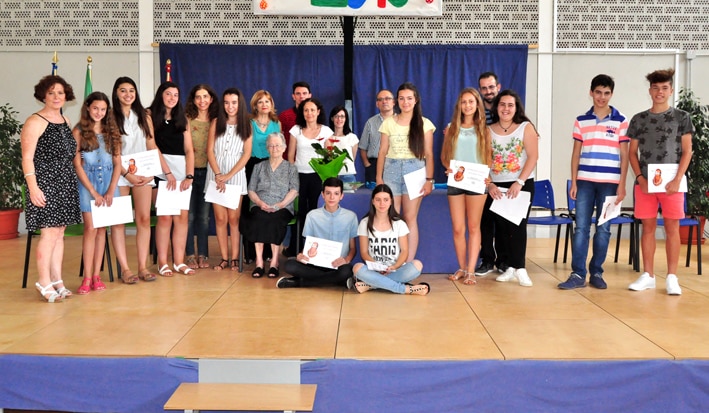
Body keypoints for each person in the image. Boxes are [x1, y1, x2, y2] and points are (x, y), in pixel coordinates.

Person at [558, 74, 629, 290]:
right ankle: (578, 274)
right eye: (598, 92)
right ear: (591, 93)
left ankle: (597, 272)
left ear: (611, 94)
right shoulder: (581, 121)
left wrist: (622, 185)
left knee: (604, 228)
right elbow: (575, 154)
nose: (602, 97)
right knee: (581, 229)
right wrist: (574, 183)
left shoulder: (621, 121)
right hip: (585, 184)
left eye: (606, 93)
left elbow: (625, 156)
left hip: (610, 184)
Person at [627, 68, 693, 295]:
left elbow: (687, 152)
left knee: (672, 227)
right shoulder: (639, 119)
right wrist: (639, 178)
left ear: (671, 90)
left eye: (664, 88)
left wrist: (677, 179)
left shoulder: (682, 117)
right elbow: (631, 153)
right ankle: (648, 275)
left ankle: (672, 277)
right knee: (648, 228)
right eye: (656, 88)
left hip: (672, 184)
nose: (660, 92)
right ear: (650, 91)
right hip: (645, 183)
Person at [20, 75, 81, 302]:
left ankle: (57, 281)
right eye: (51, 92)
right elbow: (26, 158)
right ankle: (43, 281)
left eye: (61, 92)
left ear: (67, 95)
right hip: (44, 182)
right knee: (48, 234)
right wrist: (33, 188)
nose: (56, 97)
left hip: (64, 182)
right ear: (43, 95)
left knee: (59, 233)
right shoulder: (34, 121)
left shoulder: (64, 120)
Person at [112, 76, 166, 283]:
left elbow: (152, 145)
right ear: (116, 93)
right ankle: (125, 269)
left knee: (143, 218)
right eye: (123, 90)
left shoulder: (145, 116)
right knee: (119, 221)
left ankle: (142, 267)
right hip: (121, 173)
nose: (128, 94)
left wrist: (153, 172)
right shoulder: (111, 117)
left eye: (131, 90)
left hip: (144, 173)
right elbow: (113, 152)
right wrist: (127, 174)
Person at [376, 82, 435, 262]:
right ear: (396, 101)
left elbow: (429, 154)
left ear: (416, 100)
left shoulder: (425, 124)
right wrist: (379, 177)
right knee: (391, 216)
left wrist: (429, 180)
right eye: (401, 98)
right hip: (391, 170)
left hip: (415, 171)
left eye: (409, 98)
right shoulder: (388, 123)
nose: (405, 102)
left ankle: (407, 262)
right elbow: (382, 152)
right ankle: (391, 260)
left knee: (410, 218)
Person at [486, 90, 539, 287]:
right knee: (501, 227)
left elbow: (533, 156)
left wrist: (519, 182)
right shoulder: (488, 130)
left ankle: (521, 267)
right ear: (496, 107)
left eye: (510, 105)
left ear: (516, 108)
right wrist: (490, 183)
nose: (506, 109)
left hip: (521, 183)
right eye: (502, 104)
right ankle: (508, 266)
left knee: (518, 226)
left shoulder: (526, 127)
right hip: (497, 184)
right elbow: (484, 159)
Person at [72, 91, 123, 294]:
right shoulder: (78, 131)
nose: (99, 112)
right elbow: (77, 164)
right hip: (88, 185)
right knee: (90, 229)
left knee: (102, 229)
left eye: (103, 109)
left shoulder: (112, 132)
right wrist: (93, 191)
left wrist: (111, 190)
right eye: (95, 108)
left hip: (109, 185)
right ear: (87, 108)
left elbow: (118, 164)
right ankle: (86, 277)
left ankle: (96, 276)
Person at [440, 88, 492, 286]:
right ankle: (462, 267)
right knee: (458, 228)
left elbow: (488, 158)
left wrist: (487, 176)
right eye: (464, 102)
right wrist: (449, 169)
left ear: (477, 104)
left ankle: (471, 270)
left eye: (471, 102)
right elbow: (445, 156)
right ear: (459, 106)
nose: (467, 105)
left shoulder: (484, 130)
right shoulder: (451, 127)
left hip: (477, 183)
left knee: (473, 227)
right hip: (456, 182)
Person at [149, 81, 196, 276]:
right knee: (165, 217)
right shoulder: (150, 116)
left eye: (176, 95)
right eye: (168, 94)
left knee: (182, 218)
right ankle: (162, 262)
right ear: (161, 95)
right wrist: (166, 173)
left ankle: (179, 261)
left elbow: (189, 150)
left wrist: (189, 175)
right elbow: (153, 146)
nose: (172, 98)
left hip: (181, 174)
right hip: (160, 172)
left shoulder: (182, 119)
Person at [278, 177, 358, 288]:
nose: (332, 197)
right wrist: (302, 255)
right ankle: (337, 280)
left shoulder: (351, 217)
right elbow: (308, 244)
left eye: (336, 193)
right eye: (328, 193)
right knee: (289, 265)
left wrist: (346, 259)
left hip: (338, 264)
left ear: (341, 196)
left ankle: (299, 282)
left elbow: (353, 248)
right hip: (315, 263)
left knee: (347, 271)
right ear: (323, 195)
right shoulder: (312, 215)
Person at [350, 184, 429, 295]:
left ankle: (371, 285)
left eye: (385, 200)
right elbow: (364, 252)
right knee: (357, 268)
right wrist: (377, 267)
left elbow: (405, 251)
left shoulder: (399, 223)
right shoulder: (365, 223)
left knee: (417, 265)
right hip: (374, 269)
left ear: (391, 201)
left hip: (395, 269)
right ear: (373, 201)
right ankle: (405, 289)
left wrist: (394, 266)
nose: (382, 204)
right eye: (378, 200)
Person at [206, 88, 253, 271]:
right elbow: (209, 150)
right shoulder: (216, 122)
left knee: (234, 218)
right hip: (215, 175)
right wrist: (218, 174)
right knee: (220, 218)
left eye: (233, 102)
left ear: (239, 104)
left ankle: (235, 257)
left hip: (235, 176)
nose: (230, 106)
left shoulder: (246, 124)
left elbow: (246, 153)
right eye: (226, 102)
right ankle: (224, 258)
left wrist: (229, 175)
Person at [243, 133, 298, 278]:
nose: (275, 148)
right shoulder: (258, 167)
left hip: (283, 206)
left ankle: (274, 262)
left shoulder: (291, 168)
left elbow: (294, 190)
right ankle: (259, 262)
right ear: (267, 148)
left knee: (275, 219)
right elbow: (251, 190)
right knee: (258, 218)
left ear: (284, 147)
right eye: (271, 145)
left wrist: (280, 205)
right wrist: (260, 203)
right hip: (260, 204)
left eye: (278, 145)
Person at [288, 97, 334, 244]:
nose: (309, 113)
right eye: (306, 110)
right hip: (299, 176)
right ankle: (297, 246)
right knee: (299, 211)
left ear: (318, 112)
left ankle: (315, 246)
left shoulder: (326, 131)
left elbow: (329, 156)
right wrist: (292, 175)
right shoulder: (296, 130)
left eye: (312, 110)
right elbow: (290, 156)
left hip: (318, 176)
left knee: (316, 211)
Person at [244, 90, 282, 262]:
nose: (264, 104)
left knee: (268, 207)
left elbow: (279, 147)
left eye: (267, 101)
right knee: (251, 209)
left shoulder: (277, 123)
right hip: (252, 165)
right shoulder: (249, 123)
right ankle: (250, 253)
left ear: (272, 104)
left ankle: (267, 252)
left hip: (271, 166)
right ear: (255, 105)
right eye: (260, 102)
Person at [184, 84, 219, 270]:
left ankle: (203, 255)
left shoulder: (216, 120)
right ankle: (189, 254)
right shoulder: (187, 120)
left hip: (209, 173)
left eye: (205, 96)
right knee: (189, 216)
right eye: (198, 97)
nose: (202, 100)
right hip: (188, 172)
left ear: (211, 99)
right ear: (193, 99)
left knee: (204, 217)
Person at [475, 71, 505, 276]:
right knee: (484, 220)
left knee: (502, 219)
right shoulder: (474, 110)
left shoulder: (506, 108)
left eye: (491, 87)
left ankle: (504, 261)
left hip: (503, 172)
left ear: (498, 87)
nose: (488, 91)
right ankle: (487, 260)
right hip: (479, 172)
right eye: (484, 88)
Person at [359, 89, 395, 183]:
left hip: (395, 164)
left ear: (394, 102)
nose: (384, 101)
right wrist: (367, 164)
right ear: (377, 104)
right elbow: (363, 147)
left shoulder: (401, 121)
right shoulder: (370, 122)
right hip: (374, 166)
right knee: (375, 195)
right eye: (380, 99)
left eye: (387, 98)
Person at [279, 81, 311, 160]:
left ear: (310, 95)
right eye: (298, 94)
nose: (301, 96)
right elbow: (278, 140)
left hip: (310, 161)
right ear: (293, 96)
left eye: (304, 93)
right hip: (288, 161)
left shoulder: (315, 116)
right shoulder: (284, 116)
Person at [327, 105, 359, 183]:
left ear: (346, 119)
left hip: (348, 175)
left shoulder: (352, 137)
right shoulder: (327, 137)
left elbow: (352, 158)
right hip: (331, 175)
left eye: (342, 116)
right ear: (332, 118)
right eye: (336, 116)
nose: (339, 119)